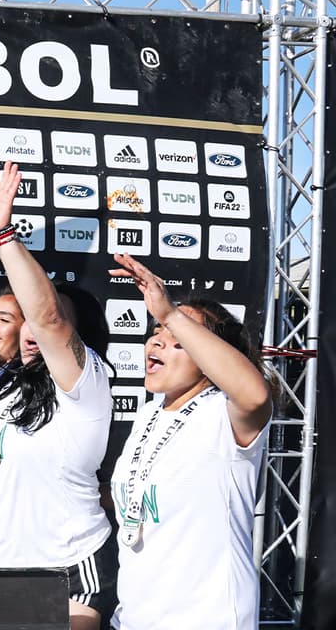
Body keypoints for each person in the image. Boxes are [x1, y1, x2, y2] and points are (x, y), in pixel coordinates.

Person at [0, 162, 117, 629]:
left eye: (49, 320)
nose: (37, 330)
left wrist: (2, 236)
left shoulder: (86, 385)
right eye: (25, 319)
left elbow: (50, 320)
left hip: (69, 572)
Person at [107, 254, 271, 630]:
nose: (157, 342)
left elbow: (256, 396)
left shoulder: (224, 415)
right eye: (155, 333)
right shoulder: (148, 415)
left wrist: (171, 315)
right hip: (134, 620)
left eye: (176, 339)